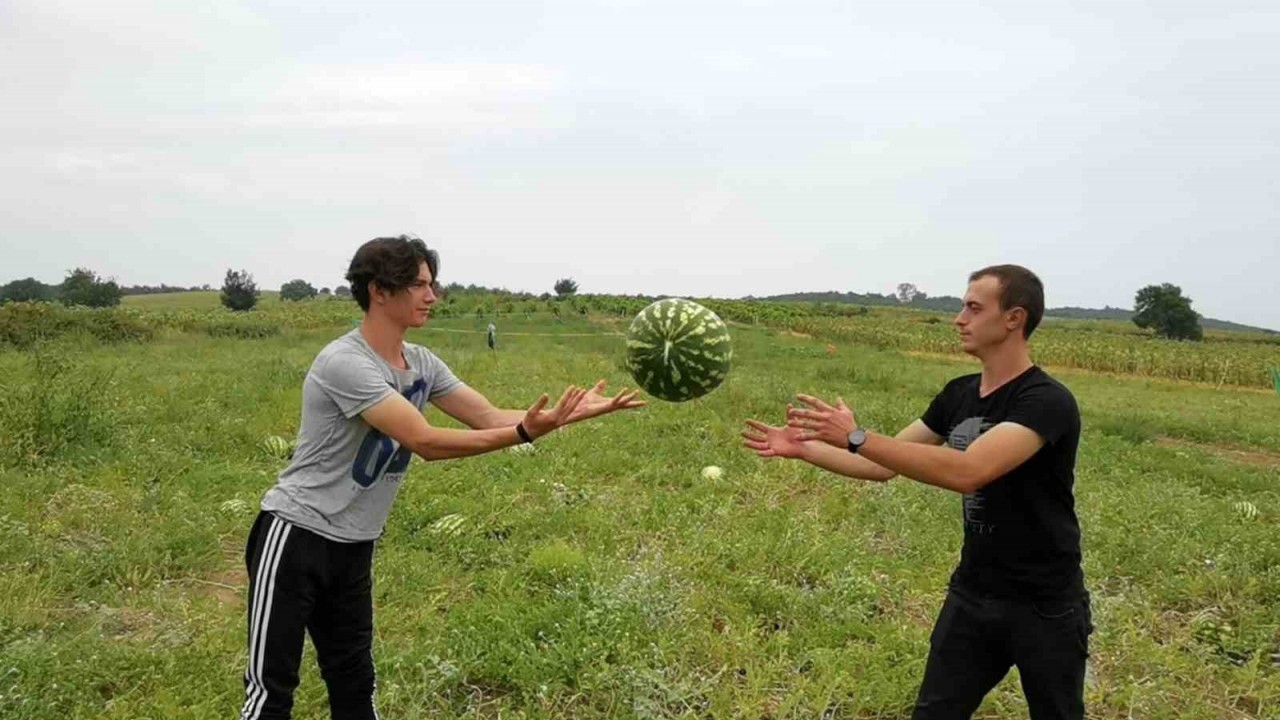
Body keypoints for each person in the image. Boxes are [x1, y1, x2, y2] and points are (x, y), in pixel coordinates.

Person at [240, 235, 644, 720]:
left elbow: (488, 416)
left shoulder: (422, 363)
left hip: (355, 541)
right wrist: (524, 433)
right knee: (272, 690)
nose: (432, 296)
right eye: (417, 285)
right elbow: (425, 441)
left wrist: (567, 414)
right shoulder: (344, 362)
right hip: (295, 536)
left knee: (353, 677)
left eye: (432, 284)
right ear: (378, 291)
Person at [742, 265, 1090, 720]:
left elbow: (970, 471)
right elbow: (879, 465)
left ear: (1014, 318)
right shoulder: (959, 394)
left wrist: (857, 435)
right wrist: (805, 449)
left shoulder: (1045, 401)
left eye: (973, 307)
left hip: (1046, 604)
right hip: (973, 592)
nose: (958, 319)